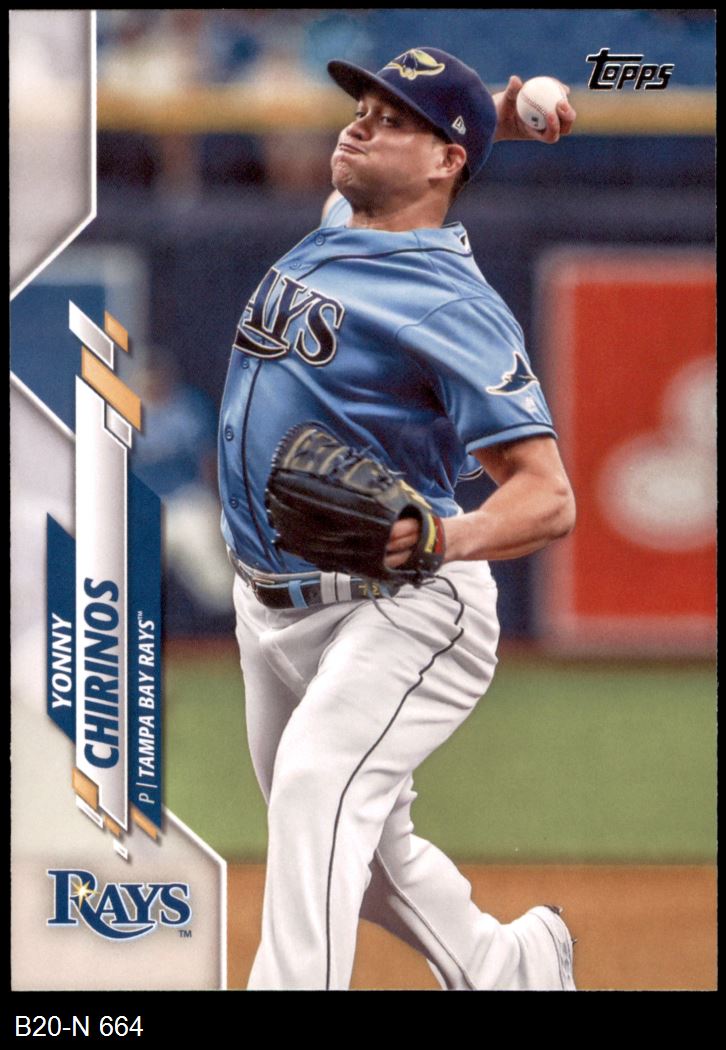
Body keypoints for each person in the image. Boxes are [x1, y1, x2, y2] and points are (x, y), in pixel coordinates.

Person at [218, 47, 577, 991]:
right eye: (363, 108)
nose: (358, 126)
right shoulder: (347, 219)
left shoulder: (454, 305)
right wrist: (497, 111)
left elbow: (548, 495)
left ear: (443, 162)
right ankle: (512, 968)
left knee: (316, 788)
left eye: (390, 120)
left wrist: (443, 538)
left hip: (404, 603)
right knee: (364, 853)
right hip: (271, 605)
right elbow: (443, 138)